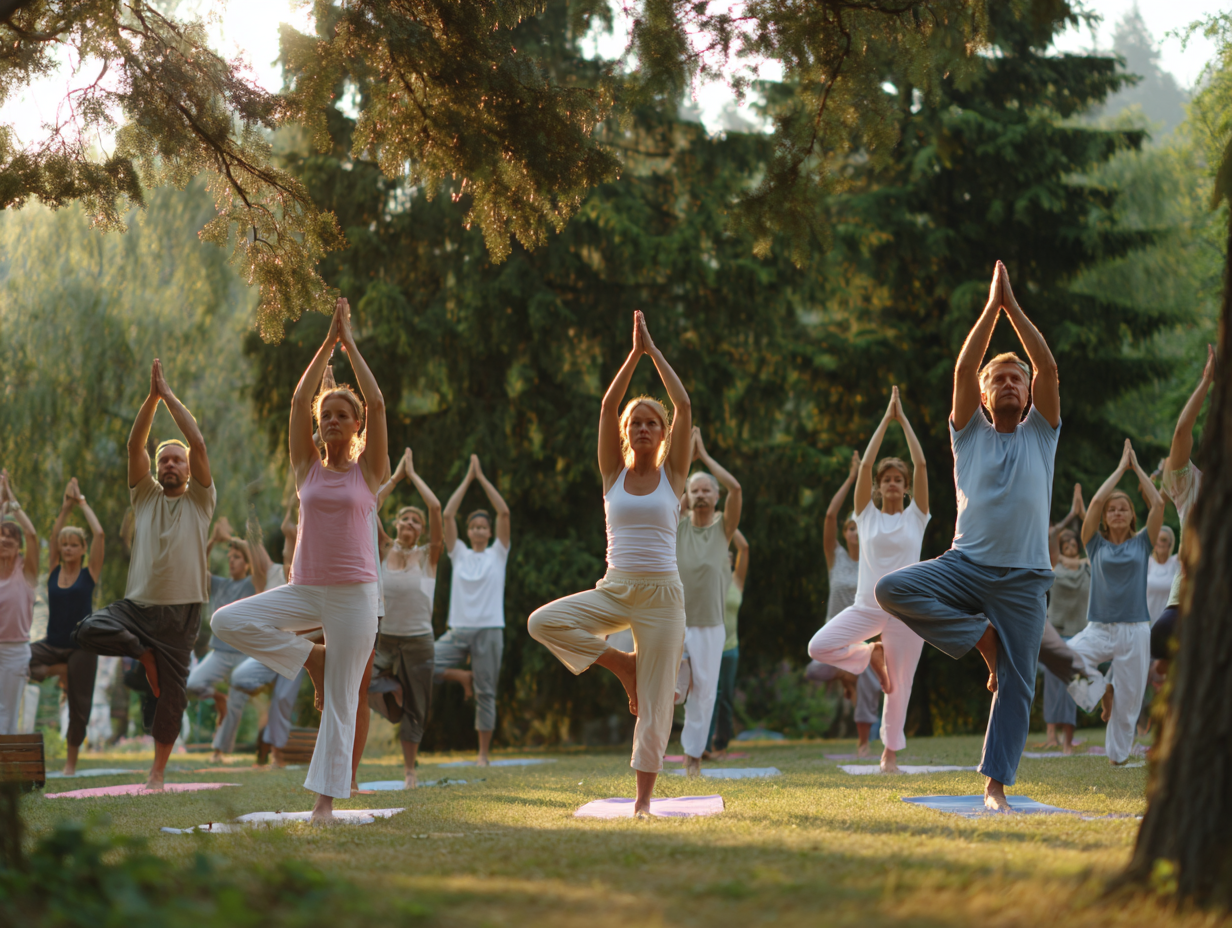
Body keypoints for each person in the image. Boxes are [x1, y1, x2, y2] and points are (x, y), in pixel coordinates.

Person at [875, 261, 1060, 811]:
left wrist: (1013, 308)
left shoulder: (1042, 436)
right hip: (966, 567)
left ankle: (995, 787)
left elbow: (1047, 366)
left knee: (1018, 688)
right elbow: (961, 372)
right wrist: (990, 310)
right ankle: (982, 637)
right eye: (997, 379)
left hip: (1025, 580)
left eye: (1015, 379)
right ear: (983, 398)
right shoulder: (969, 434)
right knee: (892, 589)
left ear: (1027, 395)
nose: (1008, 383)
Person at [212, 296, 387, 821]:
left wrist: (350, 346)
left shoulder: (368, 473)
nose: (333, 420)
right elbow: (296, 402)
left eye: (343, 415)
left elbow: (378, 405)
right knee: (227, 620)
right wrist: (325, 345)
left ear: (355, 427)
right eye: (327, 415)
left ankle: (324, 804)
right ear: (319, 425)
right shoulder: (306, 469)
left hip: (356, 594)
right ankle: (311, 657)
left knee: (342, 702)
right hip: (306, 589)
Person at [528, 310, 691, 816]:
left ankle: (642, 802)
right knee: (543, 622)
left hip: (663, 596)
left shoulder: (674, 475)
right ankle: (622, 664)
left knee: (658, 701)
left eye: (652, 423)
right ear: (626, 434)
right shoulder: (612, 475)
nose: (643, 427)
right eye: (636, 423)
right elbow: (605, 408)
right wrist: (632, 355)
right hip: (615, 587)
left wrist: (653, 352)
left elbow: (683, 404)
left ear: (663, 434)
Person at [74, 360, 216, 789]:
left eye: (178, 460)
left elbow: (198, 440)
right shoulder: (145, 496)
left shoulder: (200, 500)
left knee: (172, 696)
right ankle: (144, 655)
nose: (171, 464)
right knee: (86, 630)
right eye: (164, 460)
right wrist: (151, 398)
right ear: (156, 468)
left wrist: (170, 395)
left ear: (189, 469)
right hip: (136, 608)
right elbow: (135, 443)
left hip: (180, 613)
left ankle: (156, 774)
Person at [808, 386, 930, 774]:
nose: (893, 483)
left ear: (906, 487)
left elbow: (923, 465)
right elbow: (864, 468)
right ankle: (868, 654)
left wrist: (904, 420)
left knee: (900, 686)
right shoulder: (866, 517)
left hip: (908, 612)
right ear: (878, 487)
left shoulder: (916, 516)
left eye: (899, 479)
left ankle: (888, 756)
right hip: (867, 607)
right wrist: (885, 419)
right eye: (887, 479)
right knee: (819, 646)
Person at [1065, 440, 1164, 764]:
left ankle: (1118, 757)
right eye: (1112, 509)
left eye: (1123, 508)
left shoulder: (1142, 544)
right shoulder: (1095, 546)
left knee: (1130, 704)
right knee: (1066, 658)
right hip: (1100, 628)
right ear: (1105, 518)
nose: (1117, 512)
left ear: (1132, 515)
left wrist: (1138, 470)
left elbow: (1159, 505)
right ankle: (1101, 692)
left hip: (1135, 631)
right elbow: (1093, 502)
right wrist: (1121, 469)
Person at [371, 447, 443, 788]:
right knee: (361, 682)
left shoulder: (428, 556)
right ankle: (393, 691)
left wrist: (413, 476)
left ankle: (410, 771)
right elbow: (369, 505)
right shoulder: (383, 548)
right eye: (405, 518)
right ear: (395, 524)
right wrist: (396, 477)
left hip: (418, 640)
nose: (411, 523)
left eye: (416, 521)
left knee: (419, 707)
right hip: (384, 637)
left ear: (421, 530)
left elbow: (436, 507)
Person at [434, 453, 511, 766]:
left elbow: (503, 511)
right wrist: (468, 478)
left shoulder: (498, 554)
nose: (479, 530)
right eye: (475, 526)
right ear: (468, 533)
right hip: (459, 629)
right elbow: (448, 515)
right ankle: (461, 677)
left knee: (486, 693)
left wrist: (483, 479)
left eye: (484, 527)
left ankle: (482, 755)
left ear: (489, 533)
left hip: (490, 629)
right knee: (423, 661)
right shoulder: (459, 553)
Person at [674, 427, 742, 776]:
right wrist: (688, 458)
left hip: (711, 626)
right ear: (686, 495)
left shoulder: (723, 529)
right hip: (675, 622)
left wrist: (705, 457)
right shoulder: (676, 526)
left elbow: (737, 488)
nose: (700, 495)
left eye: (706, 490)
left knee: (704, 694)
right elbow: (670, 490)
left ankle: (693, 758)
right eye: (694, 490)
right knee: (672, 689)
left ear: (715, 497)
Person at [27, 478, 104, 773]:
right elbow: (53, 532)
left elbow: (99, 533)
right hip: (52, 644)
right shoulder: (53, 572)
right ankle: (60, 672)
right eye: (65, 545)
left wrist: (81, 503)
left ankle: (71, 764)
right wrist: (64, 507)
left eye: (74, 544)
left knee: (79, 706)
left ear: (83, 549)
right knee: (19, 659)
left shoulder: (90, 574)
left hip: (82, 647)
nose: (69, 548)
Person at [808, 452, 882, 756]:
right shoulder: (834, 557)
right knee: (813, 671)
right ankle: (844, 674)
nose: (854, 531)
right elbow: (828, 516)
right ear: (845, 533)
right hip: (833, 642)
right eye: (849, 528)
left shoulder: (873, 559)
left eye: (858, 527)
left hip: (860, 639)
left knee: (870, 683)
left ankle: (865, 742)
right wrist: (852, 478)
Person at [227, 501, 303, 767]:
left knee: (283, 699)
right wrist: (250, 519)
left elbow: (292, 539)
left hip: (296, 647)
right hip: (270, 649)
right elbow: (253, 544)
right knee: (240, 677)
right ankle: (266, 688)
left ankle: (277, 754)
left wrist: (291, 522)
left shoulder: (301, 576)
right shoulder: (266, 575)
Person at [1153, 345, 1215, 668]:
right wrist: (1206, 382)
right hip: (1186, 599)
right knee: (1160, 640)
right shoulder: (1190, 484)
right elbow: (1180, 434)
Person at [185, 516, 256, 762]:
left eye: (236, 558)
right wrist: (213, 541)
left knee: (236, 706)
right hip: (220, 653)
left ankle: (218, 752)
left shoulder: (252, 584)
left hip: (245, 654)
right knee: (192, 684)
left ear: (246, 564)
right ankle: (218, 698)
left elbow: (259, 561)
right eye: (230, 558)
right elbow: (197, 566)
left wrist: (233, 540)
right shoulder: (219, 584)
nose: (232, 562)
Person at [1039, 484, 1089, 755]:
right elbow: (1053, 534)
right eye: (1065, 544)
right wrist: (1072, 513)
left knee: (1073, 685)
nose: (1069, 547)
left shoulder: (1087, 567)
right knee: (1051, 686)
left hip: (1078, 634)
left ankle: (1068, 741)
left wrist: (1081, 517)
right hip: (1055, 631)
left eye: (1073, 544)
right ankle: (1051, 736)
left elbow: (1091, 537)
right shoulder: (1054, 566)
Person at [0, 470, 39, 735]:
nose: (4, 541)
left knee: (8, 711)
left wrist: (11, 501)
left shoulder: (26, 571)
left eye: (10, 538)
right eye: (0, 537)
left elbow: (32, 534)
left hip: (15, 651)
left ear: (18, 546)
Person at [705, 529, 747, 759]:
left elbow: (745, 548)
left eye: (729, 557)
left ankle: (721, 745)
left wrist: (726, 523)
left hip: (731, 648)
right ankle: (705, 745)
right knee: (710, 693)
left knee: (726, 697)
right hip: (709, 647)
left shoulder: (737, 581)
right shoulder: (707, 580)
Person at [1145, 526, 1178, 624]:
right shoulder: (1147, 563)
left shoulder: (1175, 563)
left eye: (1163, 540)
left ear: (1170, 543)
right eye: (1157, 539)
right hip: (1147, 624)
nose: (1160, 543)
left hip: (1169, 624)